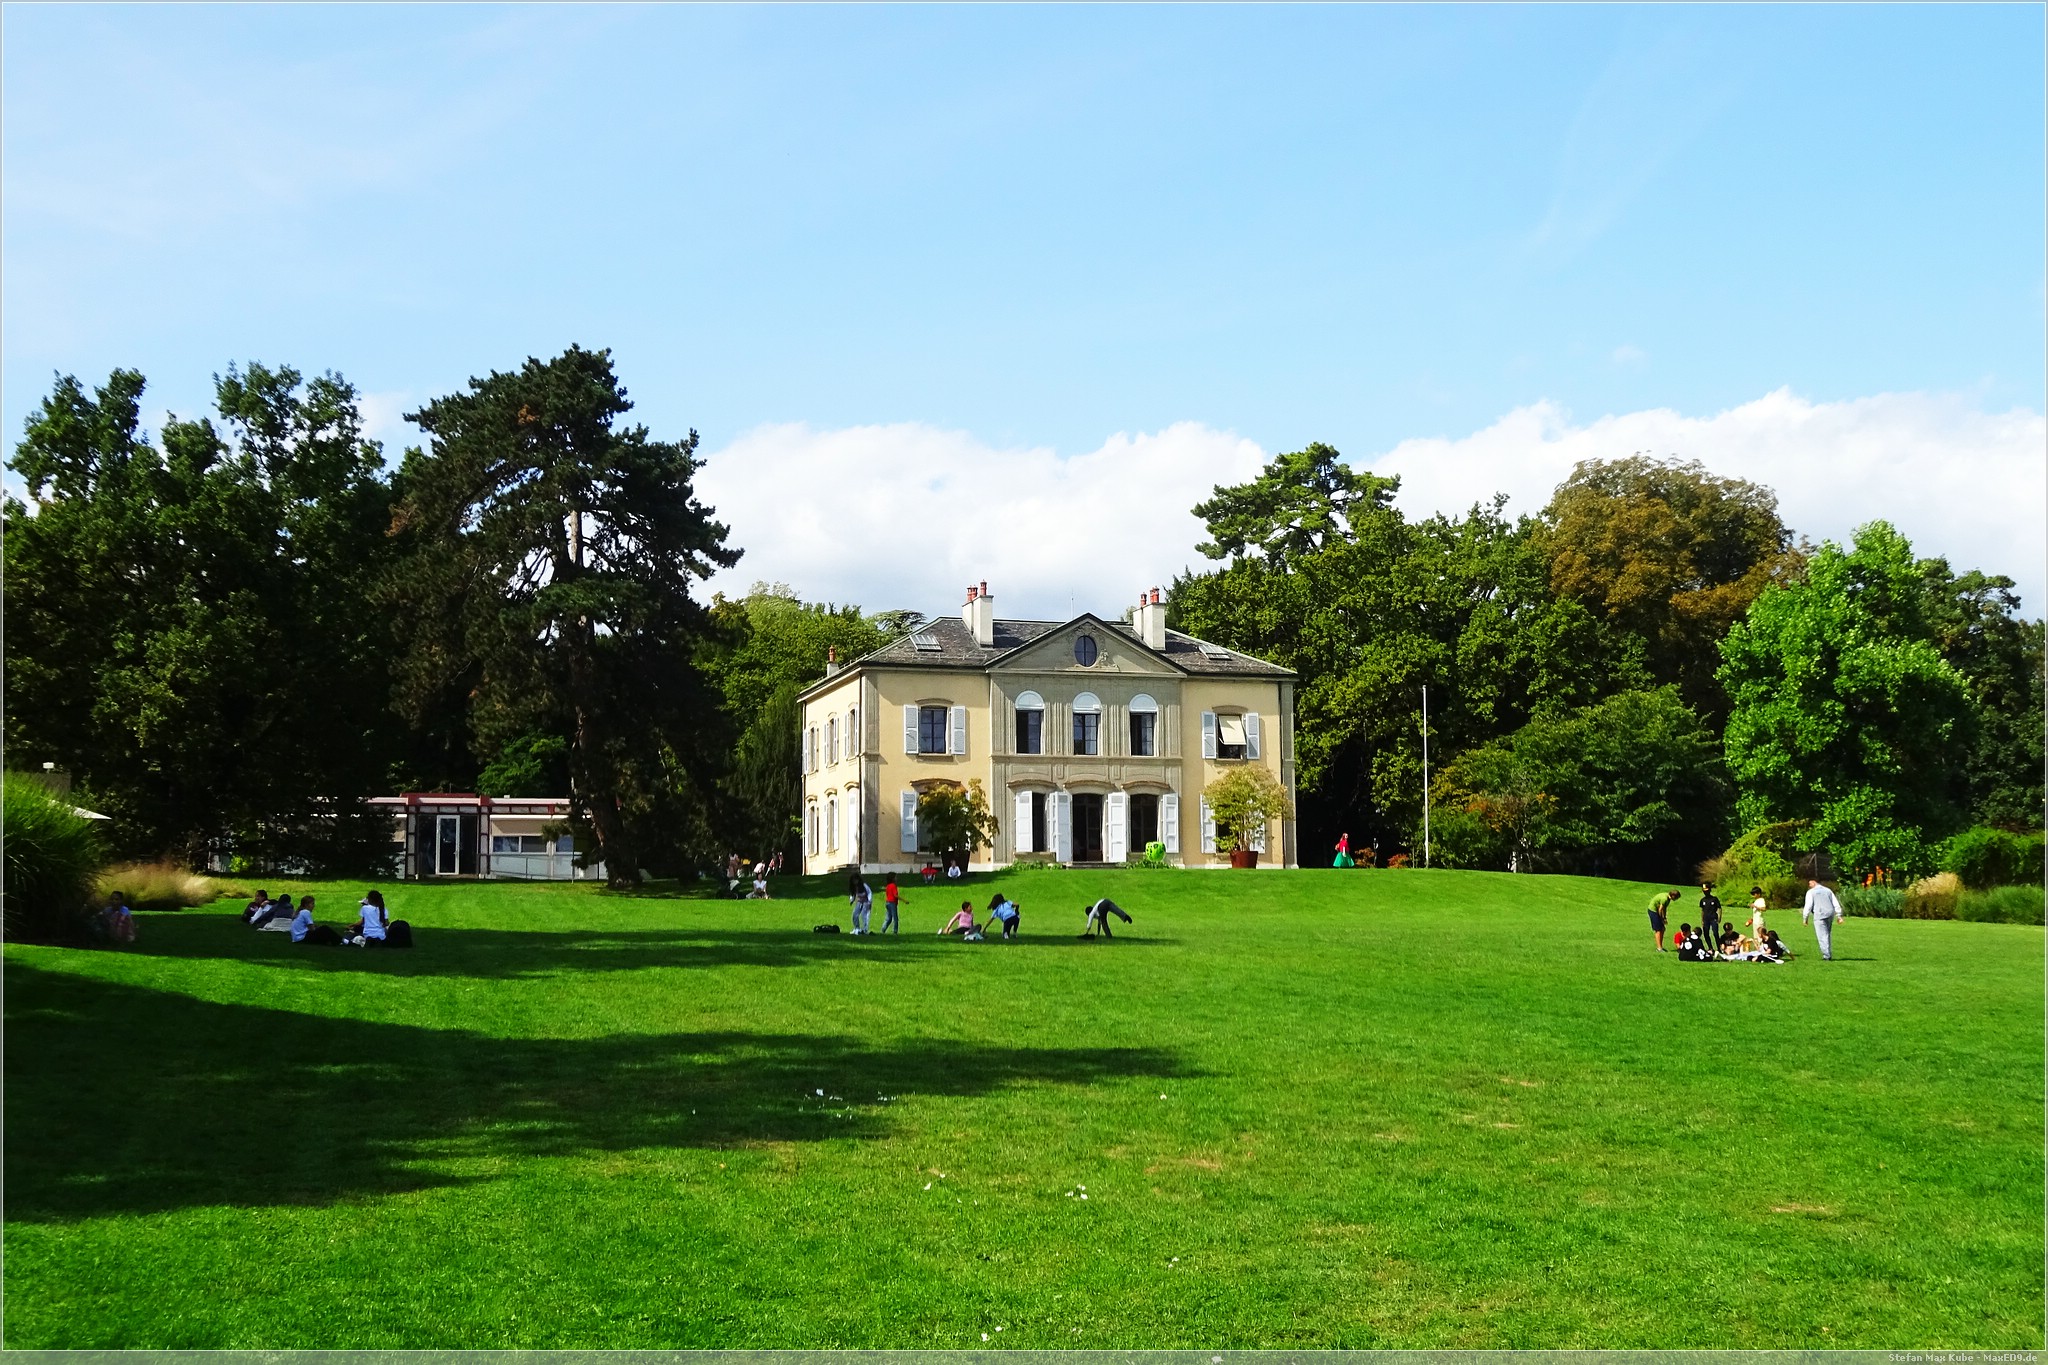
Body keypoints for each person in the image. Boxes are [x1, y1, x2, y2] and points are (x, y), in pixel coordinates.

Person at [1801, 876, 1844, 962]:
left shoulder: (1811, 892)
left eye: (1810, 883)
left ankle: (1826, 955)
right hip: (1830, 914)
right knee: (1827, 934)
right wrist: (1839, 915)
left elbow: (1808, 906)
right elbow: (1835, 903)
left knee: (1821, 935)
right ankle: (1828, 953)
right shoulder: (1828, 890)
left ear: (1814, 882)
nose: (1809, 885)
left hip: (1819, 914)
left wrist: (1805, 918)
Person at [1697, 884, 1722, 948]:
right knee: (1706, 933)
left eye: (1707, 891)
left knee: (1715, 933)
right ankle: (1710, 948)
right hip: (1706, 919)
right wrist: (1702, 920)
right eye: (1704, 891)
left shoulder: (1714, 899)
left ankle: (1719, 948)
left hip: (1713, 918)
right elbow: (1702, 910)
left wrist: (1719, 917)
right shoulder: (1702, 900)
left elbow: (1719, 908)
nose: (1705, 892)